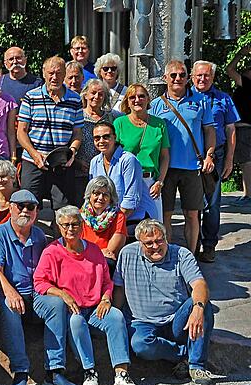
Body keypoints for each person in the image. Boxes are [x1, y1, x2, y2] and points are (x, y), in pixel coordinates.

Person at [34, 206, 140, 385]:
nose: (70, 229)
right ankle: (89, 371)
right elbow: (40, 282)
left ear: (82, 225)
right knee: (76, 321)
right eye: (65, 225)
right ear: (59, 226)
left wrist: (107, 298)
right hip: (72, 309)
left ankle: (121, 374)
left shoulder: (93, 250)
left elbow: (107, 281)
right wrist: (62, 294)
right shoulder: (52, 251)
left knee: (115, 317)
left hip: (95, 307)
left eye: (75, 224)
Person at [114, 219, 216, 385]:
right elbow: (119, 288)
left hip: (177, 320)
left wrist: (198, 309)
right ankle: (185, 354)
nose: (156, 246)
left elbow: (200, 285)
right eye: (149, 243)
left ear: (166, 237)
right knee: (140, 345)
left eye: (160, 240)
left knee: (200, 303)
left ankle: (197, 366)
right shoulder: (127, 254)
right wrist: (115, 318)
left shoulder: (182, 254)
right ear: (140, 243)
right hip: (142, 321)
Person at [0, 190, 50, 385]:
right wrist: (10, 292)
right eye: (20, 206)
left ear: (36, 211)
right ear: (11, 207)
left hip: (35, 293)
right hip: (8, 290)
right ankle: (20, 371)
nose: (25, 210)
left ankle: (55, 369)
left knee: (56, 306)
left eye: (30, 207)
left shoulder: (39, 235)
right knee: (7, 304)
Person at [149, 59, 216, 255]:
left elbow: (210, 131)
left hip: (193, 167)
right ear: (165, 78)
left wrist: (209, 155)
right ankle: (167, 256)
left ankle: (192, 255)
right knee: (166, 215)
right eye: (173, 75)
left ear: (188, 78)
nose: (178, 78)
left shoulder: (201, 101)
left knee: (192, 214)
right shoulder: (155, 105)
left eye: (182, 75)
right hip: (165, 169)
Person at [17, 56, 83, 211]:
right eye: (51, 73)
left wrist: (72, 152)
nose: (55, 77)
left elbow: (77, 133)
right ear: (44, 73)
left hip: (62, 162)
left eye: (59, 73)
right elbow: (21, 132)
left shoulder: (75, 99)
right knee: (28, 206)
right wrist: (34, 155)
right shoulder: (31, 97)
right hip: (33, 161)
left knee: (64, 210)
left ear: (65, 74)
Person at [192, 60, 240, 263]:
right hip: (191, 156)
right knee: (191, 203)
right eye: (199, 75)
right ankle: (192, 246)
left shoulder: (224, 99)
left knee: (212, 203)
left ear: (212, 77)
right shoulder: (184, 98)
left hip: (217, 155)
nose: (203, 79)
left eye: (207, 75)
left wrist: (229, 159)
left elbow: (230, 129)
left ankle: (209, 245)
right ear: (193, 76)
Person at [114, 84, 170, 222]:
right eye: (132, 97)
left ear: (148, 99)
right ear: (127, 101)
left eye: (141, 96)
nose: (137, 100)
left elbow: (165, 156)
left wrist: (160, 182)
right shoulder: (119, 123)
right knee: (123, 224)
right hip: (125, 181)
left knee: (154, 224)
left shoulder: (159, 124)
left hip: (150, 182)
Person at [89, 121, 157, 227]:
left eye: (106, 136)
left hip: (133, 220)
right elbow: (92, 195)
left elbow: (131, 201)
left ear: (114, 137)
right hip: (107, 221)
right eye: (97, 138)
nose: (101, 141)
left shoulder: (128, 160)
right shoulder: (94, 162)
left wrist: (109, 225)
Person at [78, 79, 122, 196]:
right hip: (80, 171)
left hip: (104, 172)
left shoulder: (112, 116)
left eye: (101, 94)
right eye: (93, 93)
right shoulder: (77, 115)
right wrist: (78, 162)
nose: (96, 96)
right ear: (85, 94)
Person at [80, 176, 127, 276]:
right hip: (82, 257)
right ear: (89, 196)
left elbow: (111, 251)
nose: (100, 198)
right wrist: (97, 252)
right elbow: (76, 244)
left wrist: (93, 254)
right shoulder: (80, 214)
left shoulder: (119, 216)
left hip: (105, 261)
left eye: (105, 195)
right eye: (96, 193)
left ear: (111, 198)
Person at [228, 44, 251, 207]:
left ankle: (248, 194)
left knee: (246, 161)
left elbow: (229, 70)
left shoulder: (247, 83)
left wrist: (239, 54)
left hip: (245, 126)